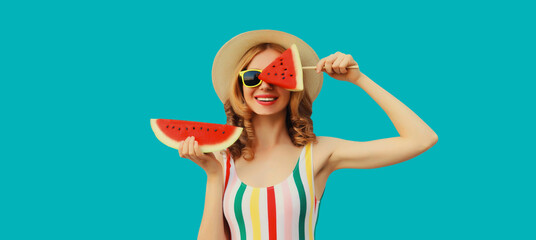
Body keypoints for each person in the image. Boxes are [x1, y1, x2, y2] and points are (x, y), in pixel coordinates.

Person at [177, 30, 438, 240]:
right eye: (253, 76)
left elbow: (422, 139)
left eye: (277, 75)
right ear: (240, 85)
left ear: (295, 86)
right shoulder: (221, 159)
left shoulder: (320, 153)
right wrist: (213, 175)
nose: (265, 84)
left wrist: (359, 79)